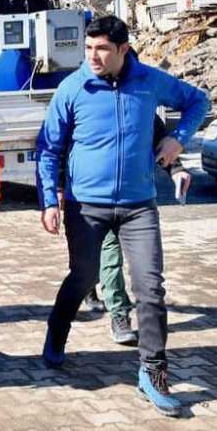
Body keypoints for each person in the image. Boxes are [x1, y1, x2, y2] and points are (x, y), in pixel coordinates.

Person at [36, 15, 208, 417]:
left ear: (123, 50)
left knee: (150, 288)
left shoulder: (148, 81)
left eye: (102, 50)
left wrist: (176, 140)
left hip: (139, 206)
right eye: (88, 48)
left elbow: (198, 100)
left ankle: (153, 372)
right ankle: (57, 332)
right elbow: (48, 149)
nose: (93, 57)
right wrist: (48, 200)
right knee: (83, 277)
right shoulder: (72, 88)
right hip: (85, 207)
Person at [75, 115, 193, 345]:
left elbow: (160, 141)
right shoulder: (86, 97)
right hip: (98, 198)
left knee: (145, 269)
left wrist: (176, 168)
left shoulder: (141, 97)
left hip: (136, 200)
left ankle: (93, 287)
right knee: (109, 255)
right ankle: (119, 315)